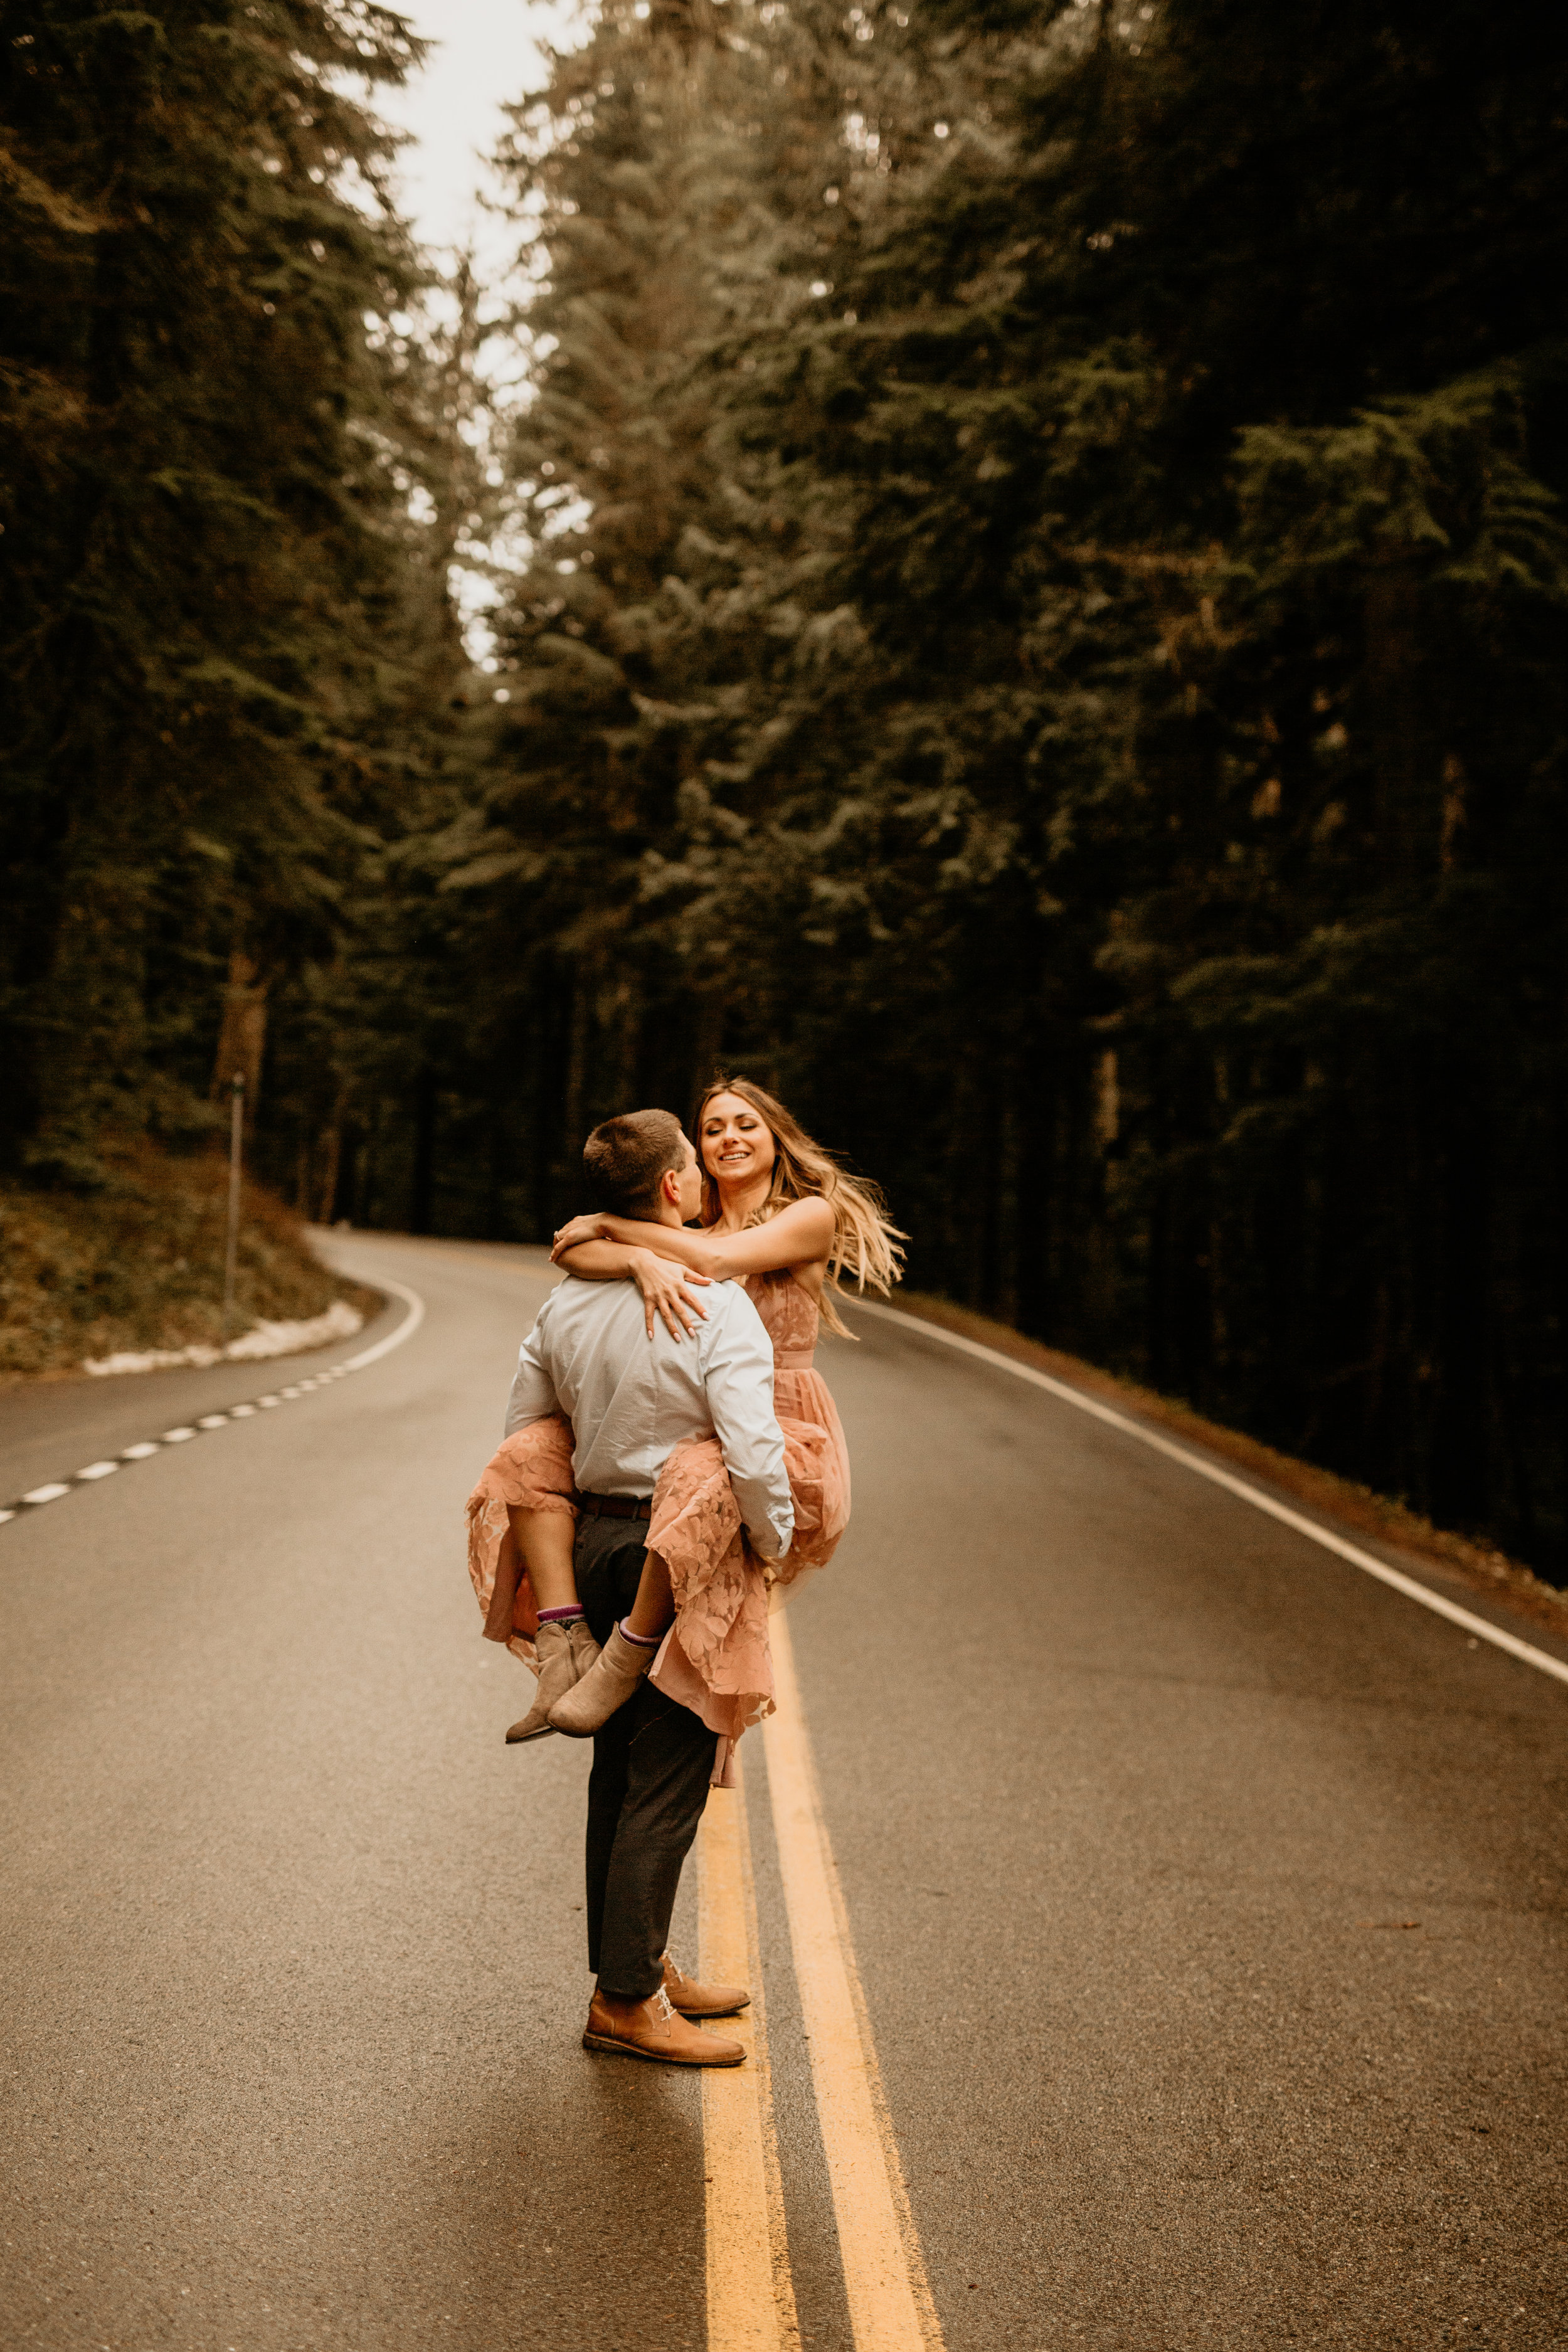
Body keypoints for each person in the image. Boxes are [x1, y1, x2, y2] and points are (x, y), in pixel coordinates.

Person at [465, 1078, 902, 1761]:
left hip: (779, 1432)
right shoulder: (680, 1232)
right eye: (713, 1129)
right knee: (539, 1452)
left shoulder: (804, 1217)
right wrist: (636, 1255)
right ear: (687, 1164)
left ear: (775, 1136)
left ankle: (624, 1663)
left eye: (745, 1125)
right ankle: (565, 1644)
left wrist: (612, 1226)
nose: (728, 1138)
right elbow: (569, 1254)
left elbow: (717, 1262)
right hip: (697, 1426)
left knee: (716, 1506)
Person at [489, 1108, 794, 2065]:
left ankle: (639, 1962)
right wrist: (773, 1537)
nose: (705, 1178)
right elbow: (750, 1446)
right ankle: (623, 2000)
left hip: (588, 1540)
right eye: (691, 1171)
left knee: (616, 1772)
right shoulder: (717, 1304)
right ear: (670, 1188)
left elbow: (526, 1424)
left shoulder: (565, 1304)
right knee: (666, 1780)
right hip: (676, 1552)